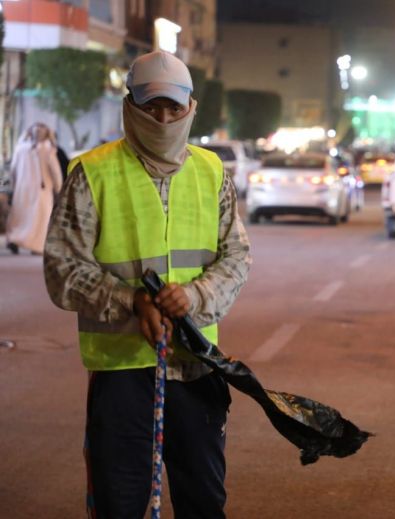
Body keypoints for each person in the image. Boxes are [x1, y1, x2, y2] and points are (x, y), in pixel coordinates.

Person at [43, 51, 251, 518]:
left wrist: (195, 297)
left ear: (191, 107)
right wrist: (129, 301)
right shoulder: (91, 173)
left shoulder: (213, 172)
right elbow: (61, 268)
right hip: (121, 373)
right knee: (121, 503)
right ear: (129, 106)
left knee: (204, 501)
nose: (162, 117)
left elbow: (236, 256)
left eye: (172, 107)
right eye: (150, 106)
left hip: (196, 367)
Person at [5, 122, 62, 254]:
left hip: (22, 189)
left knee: (20, 215)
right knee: (41, 217)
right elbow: (55, 172)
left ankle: (14, 239)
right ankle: (37, 246)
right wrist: (58, 188)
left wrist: (14, 186)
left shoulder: (20, 148)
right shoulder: (48, 149)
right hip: (42, 190)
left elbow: (13, 170)